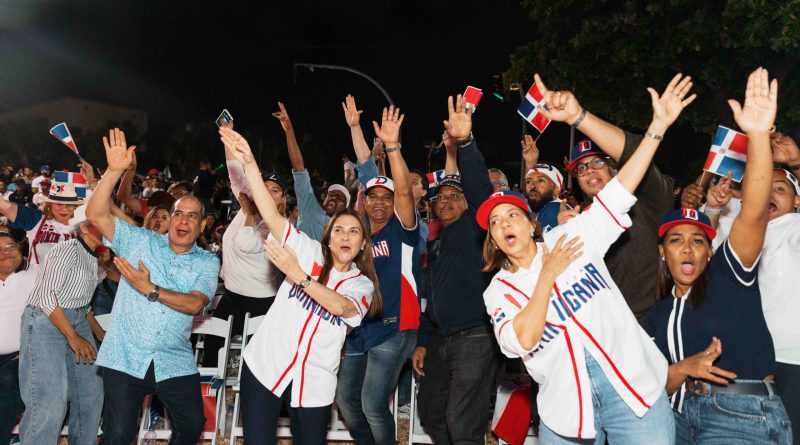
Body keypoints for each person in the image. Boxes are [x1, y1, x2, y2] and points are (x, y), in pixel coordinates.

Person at [481, 74, 697, 443]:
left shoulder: (573, 235)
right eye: (495, 222)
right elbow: (520, 342)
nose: (504, 223)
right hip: (566, 413)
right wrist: (547, 275)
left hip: (634, 392)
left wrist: (657, 127)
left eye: (513, 214)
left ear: (532, 225)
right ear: (495, 242)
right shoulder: (498, 291)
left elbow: (623, 187)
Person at [644, 67, 791, 445]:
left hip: (740, 417)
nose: (689, 247)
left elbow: (754, 209)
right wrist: (683, 368)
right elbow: (647, 383)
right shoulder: (657, 314)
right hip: (675, 421)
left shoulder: (730, 275)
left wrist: (757, 136)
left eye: (699, 240)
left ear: (711, 250)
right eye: (677, 240)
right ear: (662, 252)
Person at [220, 126, 381, 445]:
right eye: (338, 231)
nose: (345, 236)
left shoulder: (361, 285)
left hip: (315, 381)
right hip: (265, 365)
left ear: (363, 244)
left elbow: (341, 307)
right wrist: (250, 164)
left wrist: (300, 277)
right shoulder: (306, 251)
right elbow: (270, 213)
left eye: (353, 232)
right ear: (329, 237)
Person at [86, 128, 220, 445]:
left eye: (192, 216)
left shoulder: (207, 262)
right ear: (169, 218)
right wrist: (115, 172)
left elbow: (194, 304)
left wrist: (152, 290)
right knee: (118, 434)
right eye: (178, 214)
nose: (183, 221)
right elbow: (95, 213)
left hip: (173, 358)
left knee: (192, 424)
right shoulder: (140, 241)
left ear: (202, 225)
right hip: (125, 355)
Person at [536, 74, 675, 324]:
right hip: (607, 328)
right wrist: (563, 238)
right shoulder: (579, 219)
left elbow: (633, 151)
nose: (589, 170)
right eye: (581, 168)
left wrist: (578, 118)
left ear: (615, 168)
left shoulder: (645, 198)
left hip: (658, 319)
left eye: (598, 162)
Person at [410, 95, 501, 445]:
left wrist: (464, 143)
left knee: (462, 424)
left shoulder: (475, 228)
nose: (445, 201)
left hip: (475, 338)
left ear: (467, 205)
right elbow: (430, 300)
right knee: (432, 415)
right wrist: (422, 343)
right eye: (440, 199)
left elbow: (480, 191)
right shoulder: (436, 244)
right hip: (439, 340)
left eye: (453, 197)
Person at [336, 102, 421, 445]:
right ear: (365, 201)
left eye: (387, 198)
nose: (381, 202)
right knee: (346, 401)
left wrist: (393, 147)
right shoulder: (359, 234)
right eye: (374, 197)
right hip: (360, 327)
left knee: (373, 404)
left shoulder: (404, 230)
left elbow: (401, 190)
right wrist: (355, 128)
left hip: (394, 327)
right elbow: (364, 168)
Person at [18, 220, 105, 445]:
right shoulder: (66, 249)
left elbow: (82, 303)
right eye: (101, 223)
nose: (107, 226)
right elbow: (47, 297)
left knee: (91, 394)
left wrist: (99, 332)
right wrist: (74, 337)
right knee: (50, 400)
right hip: (45, 320)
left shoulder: (93, 257)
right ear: (84, 228)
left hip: (76, 320)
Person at [207, 132, 287, 366]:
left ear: (282, 199)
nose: (268, 192)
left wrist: (250, 214)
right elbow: (234, 172)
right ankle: (213, 402)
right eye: (265, 186)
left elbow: (246, 243)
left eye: (275, 190)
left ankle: (251, 401)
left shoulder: (277, 226)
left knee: (257, 361)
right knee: (213, 350)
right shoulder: (247, 204)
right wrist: (227, 136)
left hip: (261, 301)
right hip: (232, 296)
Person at [275, 101, 351, 241]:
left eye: (340, 198)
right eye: (332, 194)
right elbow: (299, 167)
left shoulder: (346, 233)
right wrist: (289, 130)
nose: (334, 197)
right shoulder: (309, 206)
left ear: (345, 209)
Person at [0, 232, 36, 443]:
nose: (5, 252)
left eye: (10, 246)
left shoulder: (36, 274)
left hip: (20, 355)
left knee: (7, 380)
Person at [0, 178, 81, 267]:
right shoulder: (36, 219)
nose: (64, 209)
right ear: (50, 205)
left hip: (71, 280)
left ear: (75, 206)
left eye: (69, 204)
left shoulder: (82, 226)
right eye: (59, 204)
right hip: (36, 279)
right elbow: (4, 206)